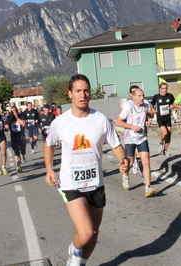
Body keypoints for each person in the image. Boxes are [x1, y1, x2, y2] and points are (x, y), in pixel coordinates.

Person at [44, 74, 129, 266]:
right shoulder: (60, 122)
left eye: (86, 90)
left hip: (95, 183)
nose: (83, 95)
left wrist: (124, 160)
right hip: (71, 183)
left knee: (94, 233)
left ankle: (80, 261)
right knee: (86, 232)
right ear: (70, 95)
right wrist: (49, 168)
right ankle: (74, 251)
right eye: (78, 91)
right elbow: (49, 144)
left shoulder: (100, 120)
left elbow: (116, 145)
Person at [115, 87, 157, 197]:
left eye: (143, 95)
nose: (142, 98)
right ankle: (125, 175)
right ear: (133, 96)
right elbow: (118, 122)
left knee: (146, 162)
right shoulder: (128, 107)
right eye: (139, 96)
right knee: (129, 161)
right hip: (130, 139)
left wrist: (149, 118)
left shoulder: (145, 105)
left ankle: (148, 187)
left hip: (142, 137)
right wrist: (132, 127)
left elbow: (151, 115)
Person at [150, 83, 175, 156]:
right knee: (165, 133)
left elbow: (174, 103)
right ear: (160, 89)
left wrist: (172, 105)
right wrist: (153, 109)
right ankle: (161, 143)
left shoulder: (170, 96)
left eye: (166, 88)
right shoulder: (156, 96)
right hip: (160, 118)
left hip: (168, 118)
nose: (165, 90)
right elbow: (152, 105)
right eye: (163, 88)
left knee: (169, 134)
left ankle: (165, 150)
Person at [5, 106, 27, 173]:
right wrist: (11, 118)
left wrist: (17, 117)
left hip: (21, 136)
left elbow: (23, 123)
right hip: (14, 136)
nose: (13, 113)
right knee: (16, 151)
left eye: (14, 111)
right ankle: (18, 166)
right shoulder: (9, 117)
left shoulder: (21, 115)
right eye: (12, 111)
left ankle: (22, 154)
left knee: (23, 150)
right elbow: (5, 125)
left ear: (17, 111)